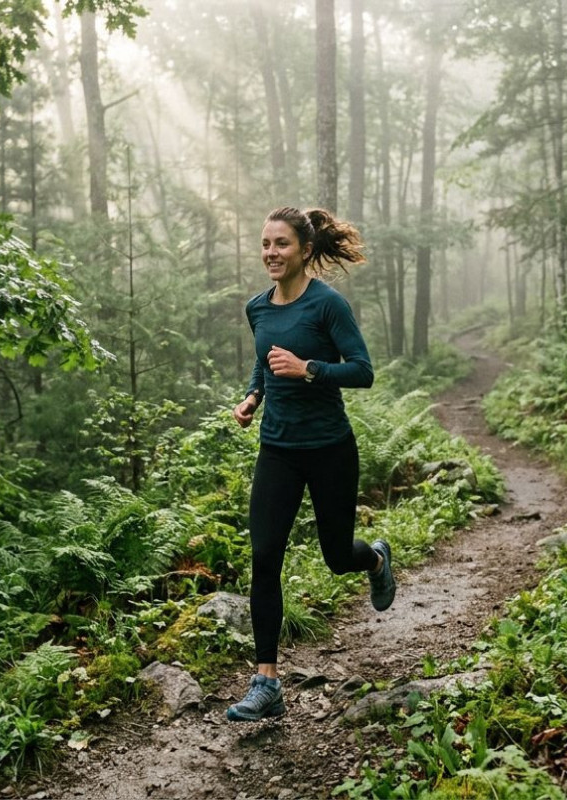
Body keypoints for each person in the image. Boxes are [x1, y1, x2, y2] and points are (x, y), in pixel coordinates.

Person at [225, 206, 396, 723]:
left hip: (328, 449)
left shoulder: (328, 305)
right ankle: (266, 682)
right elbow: (263, 359)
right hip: (277, 450)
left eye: (280, 244)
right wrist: (253, 396)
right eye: (264, 244)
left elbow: (363, 372)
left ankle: (375, 560)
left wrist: (309, 370)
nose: (270, 253)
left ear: (303, 250)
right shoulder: (258, 307)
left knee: (336, 555)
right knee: (264, 557)